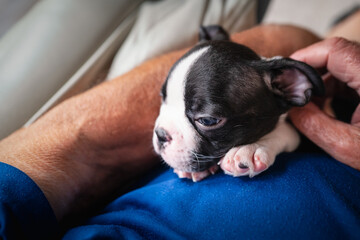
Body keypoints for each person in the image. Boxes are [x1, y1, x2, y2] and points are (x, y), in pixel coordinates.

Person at [0, 36, 359, 239]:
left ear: (292, 86)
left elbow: (288, 128)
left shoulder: (280, 94)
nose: (160, 130)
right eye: (165, 101)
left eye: (206, 119)